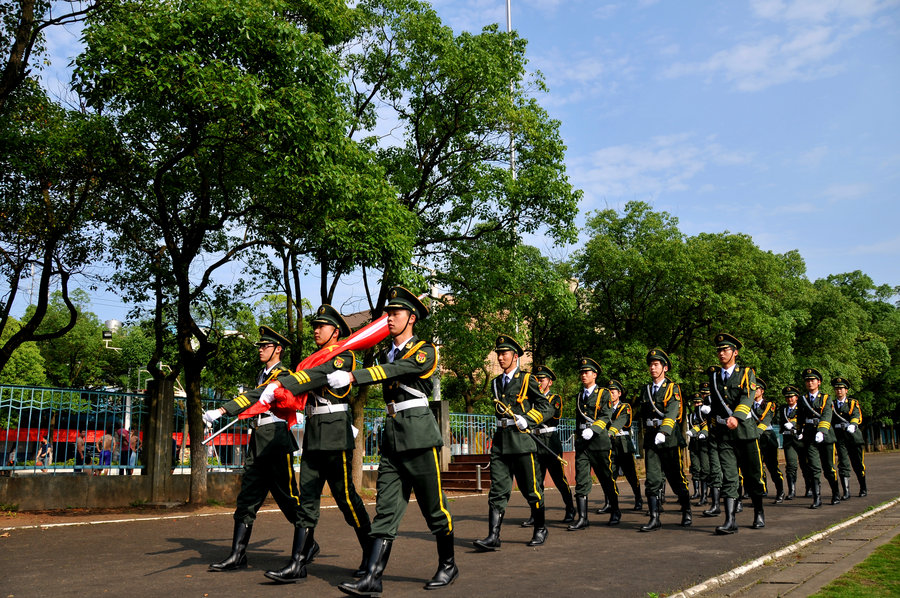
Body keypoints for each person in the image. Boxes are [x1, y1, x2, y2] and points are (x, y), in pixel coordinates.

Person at [326, 287, 457, 595]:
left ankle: (448, 565)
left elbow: (406, 368)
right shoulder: (387, 354)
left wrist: (354, 377)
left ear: (411, 318)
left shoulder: (425, 350)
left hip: (419, 437)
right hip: (393, 438)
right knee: (386, 510)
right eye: (387, 313)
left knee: (434, 507)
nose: (389, 318)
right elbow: (390, 368)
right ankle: (373, 576)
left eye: (395, 314)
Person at [259, 305, 372, 583]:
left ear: (336, 331)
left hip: (335, 434)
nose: (316, 330)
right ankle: (297, 562)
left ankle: (371, 554)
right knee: (307, 499)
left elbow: (319, 376)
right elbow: (306, 378)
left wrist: (285, 384)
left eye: (322, 326)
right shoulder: (308, 361)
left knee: (346, 499)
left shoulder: (343, 357)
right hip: (314, 435)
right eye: (315, 326)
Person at [203, 326, 301, 572]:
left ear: (278, 349)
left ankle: (307, 543)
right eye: (259, 346)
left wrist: (223, 410)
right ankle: (237, 554)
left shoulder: (284, 374)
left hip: (276, 437)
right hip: (259, 436)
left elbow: (256, 397)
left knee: (289, 499)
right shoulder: (262, 373)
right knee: (248, 497)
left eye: (265, 346)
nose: (260, 349)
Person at [474, 335, 554, 548]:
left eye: (504, 354)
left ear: (515, 356)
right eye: (498, 354)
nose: (500, 358)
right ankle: (493, 536)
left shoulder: (527, 380)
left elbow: (547, 407)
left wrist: (527, 419)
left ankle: (540, 528)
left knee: (531, 489)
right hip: (501, 442)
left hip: (521, 442)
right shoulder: (495, 383)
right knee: (498, 490)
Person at [706, 333, 765, 534]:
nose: (721, 353)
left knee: (752, 476)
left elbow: (747, 397)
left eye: (725, 350)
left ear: (735, 352)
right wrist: (712, 426)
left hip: (745, 434)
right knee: (729, 477)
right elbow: (715, 405)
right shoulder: (714, 376)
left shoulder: (747, 373)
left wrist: (737, 417)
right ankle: (730, 520)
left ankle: (758, 512)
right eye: (719, 350)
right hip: (724, 435)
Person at [638, 348, 691, 532]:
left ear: (665, 368)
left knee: (676, 478)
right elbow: (642, 415)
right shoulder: (645, 390)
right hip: (652, 438)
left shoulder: (672, 388)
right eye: (651, 365)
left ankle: (686, 510)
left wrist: (665, 430)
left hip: (669, 439)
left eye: (656, 365)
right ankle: (654, 518)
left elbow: (673, 410)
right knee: (652, 479)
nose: (652, 368)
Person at [567, 358, 619, 530]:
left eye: (586, 372)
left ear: (594, 375)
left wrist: (594, 429)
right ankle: (583, 518)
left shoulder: (604, 393)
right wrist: (577, 437)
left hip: (599, 442)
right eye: (581, 372)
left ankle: (615, 510)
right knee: (581, 479)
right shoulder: (579, 396)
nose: (583, 375)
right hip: (583, 443)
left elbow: (606, 415)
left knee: (606, 478)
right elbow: (578, 420)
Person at [521, 364, 576, 526]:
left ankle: (570, 509)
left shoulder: (554, 399)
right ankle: (536, 514)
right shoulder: (530, 400)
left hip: (550, 441)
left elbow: (550, 413)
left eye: (542, 379)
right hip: (534, 441)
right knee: (536, 482)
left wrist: (528, 417)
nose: (539, 382)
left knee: (559, 479)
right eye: (536, 379)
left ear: (550, 382)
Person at [797, 368, 840, 508]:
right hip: (810, 436)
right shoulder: (803, 399)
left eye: (812, 380)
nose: (810, 383)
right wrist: (799, 431)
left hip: (825, 436)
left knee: (828, 468)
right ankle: (817, 498)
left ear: (819, 382)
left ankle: (835, 493)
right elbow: (800, 418)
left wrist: (821, 431)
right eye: (807, 380)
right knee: (813, 468)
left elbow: (827, 414)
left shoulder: (826, 398)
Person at [606, 379, 643, 512]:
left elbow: (621, 421)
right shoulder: (605, 408)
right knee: (610, 474)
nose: (611, 394)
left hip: (623, 443)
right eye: (609, 392)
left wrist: (610, 431)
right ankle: (610, 503)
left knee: (631, 474)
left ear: (619, 393)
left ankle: (638, 498)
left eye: (613, 392)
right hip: (610, 444)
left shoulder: (625, 407)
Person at [831, 377, 867, 499]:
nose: (839, 391)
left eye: (841, 388)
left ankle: (863, 487)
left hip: (853, 437)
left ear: (846, 390)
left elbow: (857, 415)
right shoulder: (832, 405)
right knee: (843, 464)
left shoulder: (852, 403)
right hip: (840, 437)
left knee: (857, 463)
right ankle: (846, 491)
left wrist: (853, 424)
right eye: (836, 389)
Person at [751, 378, 784, 503]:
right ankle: (761, 491)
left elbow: (765, 420)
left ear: (762, 391)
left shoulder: (769, 405)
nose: (754, 392)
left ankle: (780, 491)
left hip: (767, 437)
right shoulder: (747, 406)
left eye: (756, 389)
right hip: (754, 438)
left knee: (772, 467)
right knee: (757, 467)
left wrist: (756, 432)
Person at [779, 386, 803, 500]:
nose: (789, 399)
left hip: (801, 440)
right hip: (789, 441)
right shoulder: (783, 409)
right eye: (787, 397)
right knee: (791, 466)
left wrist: (795, 426)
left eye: (791, 397)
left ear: (796, 397)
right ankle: (791, 490)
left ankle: (809, 488)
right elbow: (781, 423)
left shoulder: (802, 408)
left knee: (805, 465)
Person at [686, 392, 710, 504]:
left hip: (704, 444)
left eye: (699, 402)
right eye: (695, 402)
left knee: (705, 469)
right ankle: (696, 492)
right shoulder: (691, 416)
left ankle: (704, 496)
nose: (697, 404)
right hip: (694, 443)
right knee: (695, 468)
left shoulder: (706, 414)